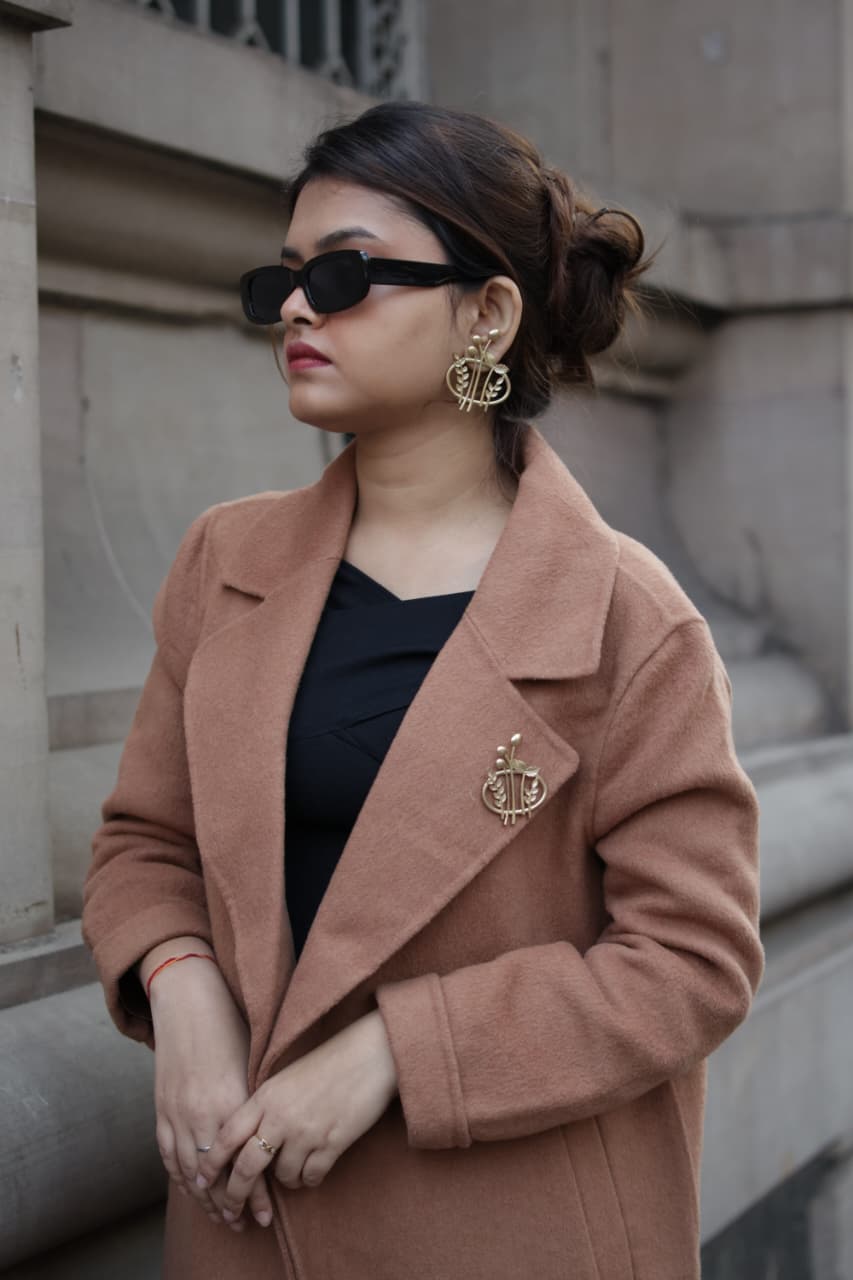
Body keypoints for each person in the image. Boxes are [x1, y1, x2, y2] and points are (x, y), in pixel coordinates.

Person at [82, 100, 763, 1280]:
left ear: (485, 314)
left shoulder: (623, 618)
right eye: (283, 277)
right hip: (248, 1227)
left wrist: (400, 1051)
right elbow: (146, 841)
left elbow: (690, 959)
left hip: (511, 1229)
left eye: (342, 273)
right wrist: (183, 994)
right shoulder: (223, 562)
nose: (295, 307)